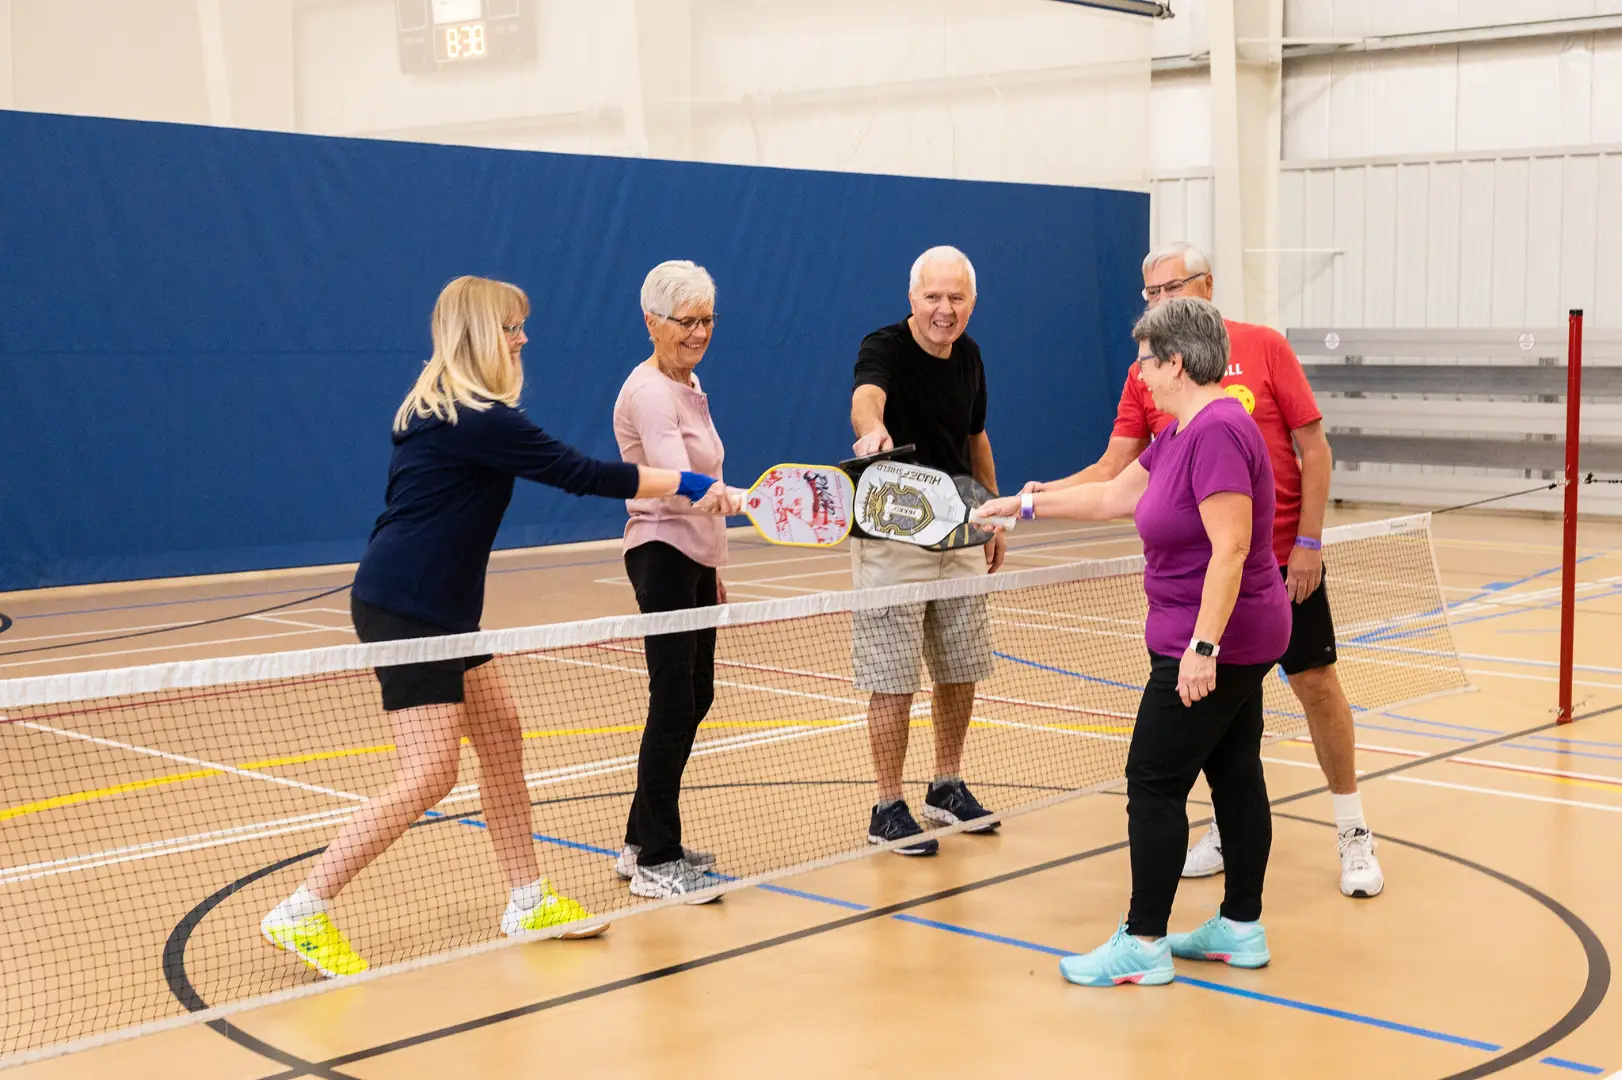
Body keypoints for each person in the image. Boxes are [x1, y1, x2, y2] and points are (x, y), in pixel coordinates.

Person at [261, 275, 732, 978]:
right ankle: (301, 908)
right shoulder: (478, 419)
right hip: (409, 609)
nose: (523, 338)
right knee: (430, 771)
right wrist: (690, 486)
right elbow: (581, 473)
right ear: (484, 335)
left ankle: (527, 898)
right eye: (513, 327)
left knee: (503, 736)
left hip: (440, 608)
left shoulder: (441, 411)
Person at [1025, 241, 1382, 899]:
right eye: (1150, 293)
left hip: (1272, 565)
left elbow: (1314, 448)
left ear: (1207, 285)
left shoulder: (1260, 351)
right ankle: (1231, 855)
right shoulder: (1151, 376)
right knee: (1232, 738)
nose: (1159, 302)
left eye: (1171, 289)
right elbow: (1115, 476)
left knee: (1316, 688)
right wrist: (1033, 499)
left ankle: (1352, 829)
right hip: (1204, 579)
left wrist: (1308, 542)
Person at [978, 297, 1291, 986]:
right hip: (1235, 634)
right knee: (1235, 770)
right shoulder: (1183, 430)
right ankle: (1240, 928)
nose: (1139, 372)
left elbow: (1233, 546)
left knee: (1152, 783)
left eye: (1146, 359)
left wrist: (1203, 648)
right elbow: (1114, 495)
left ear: (1175, 362)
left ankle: (1143, 942)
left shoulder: (1215, 433)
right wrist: (1023, 505)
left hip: (1218, 640)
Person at [848, 245, 1005, 857]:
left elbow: (976, 436)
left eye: (956, 298)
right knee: (892, 678)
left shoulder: (968, 354)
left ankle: (946, 786)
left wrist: (992, 513)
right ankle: (887, 805)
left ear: (972, 302)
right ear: (912, 299)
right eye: (933, 297)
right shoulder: (884, 346)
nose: (945, 309)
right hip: (893, 536)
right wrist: (871, 432)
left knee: (961, 667)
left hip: (960, 529)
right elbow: (868, 397)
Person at [611, 260, 729, 902]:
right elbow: (680, 484)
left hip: (692, 560)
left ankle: (637, 840)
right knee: (675, 700)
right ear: (652, 321)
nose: (699, 331)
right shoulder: (652, 393)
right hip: (661, 553)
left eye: (707, 319)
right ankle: (658, 856)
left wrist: (711, 568)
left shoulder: (687, 381)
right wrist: (732, 499)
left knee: (696, 694)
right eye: (686, 320)